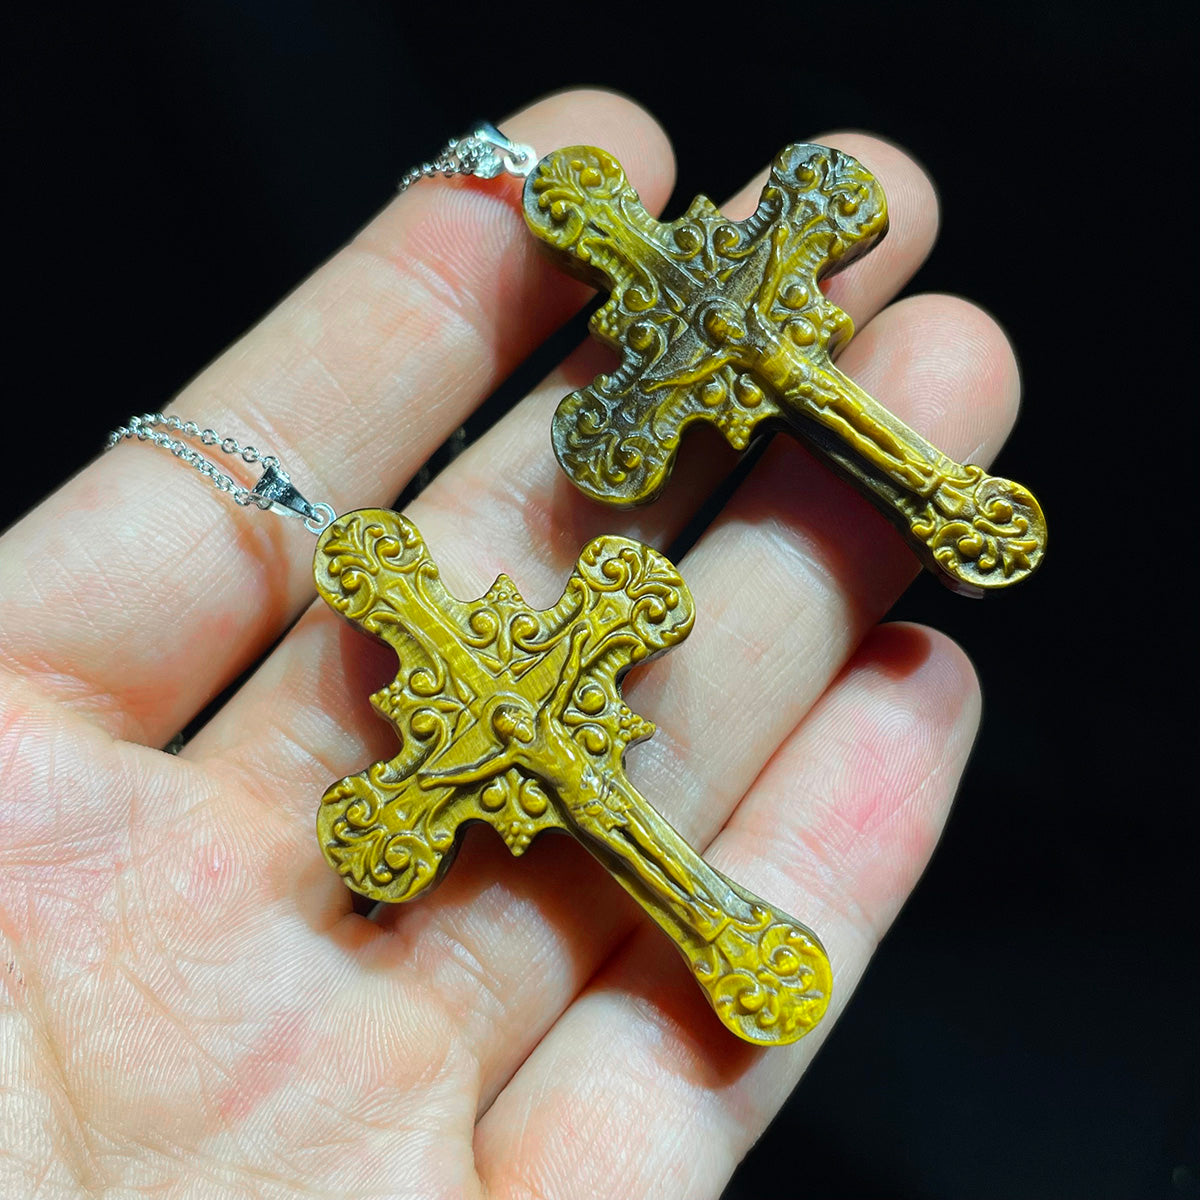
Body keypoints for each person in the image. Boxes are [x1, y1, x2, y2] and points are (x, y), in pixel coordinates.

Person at [0, 88, 1019, 1197]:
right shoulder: (444, 696)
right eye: (574, 216)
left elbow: (625, 577)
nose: (586, 220)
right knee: (627, 827)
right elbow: (393, 812)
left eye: (584, 212)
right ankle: (737, 926)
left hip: (553, 704)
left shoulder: (716, 297)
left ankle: (947, 508)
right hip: (515, 752)